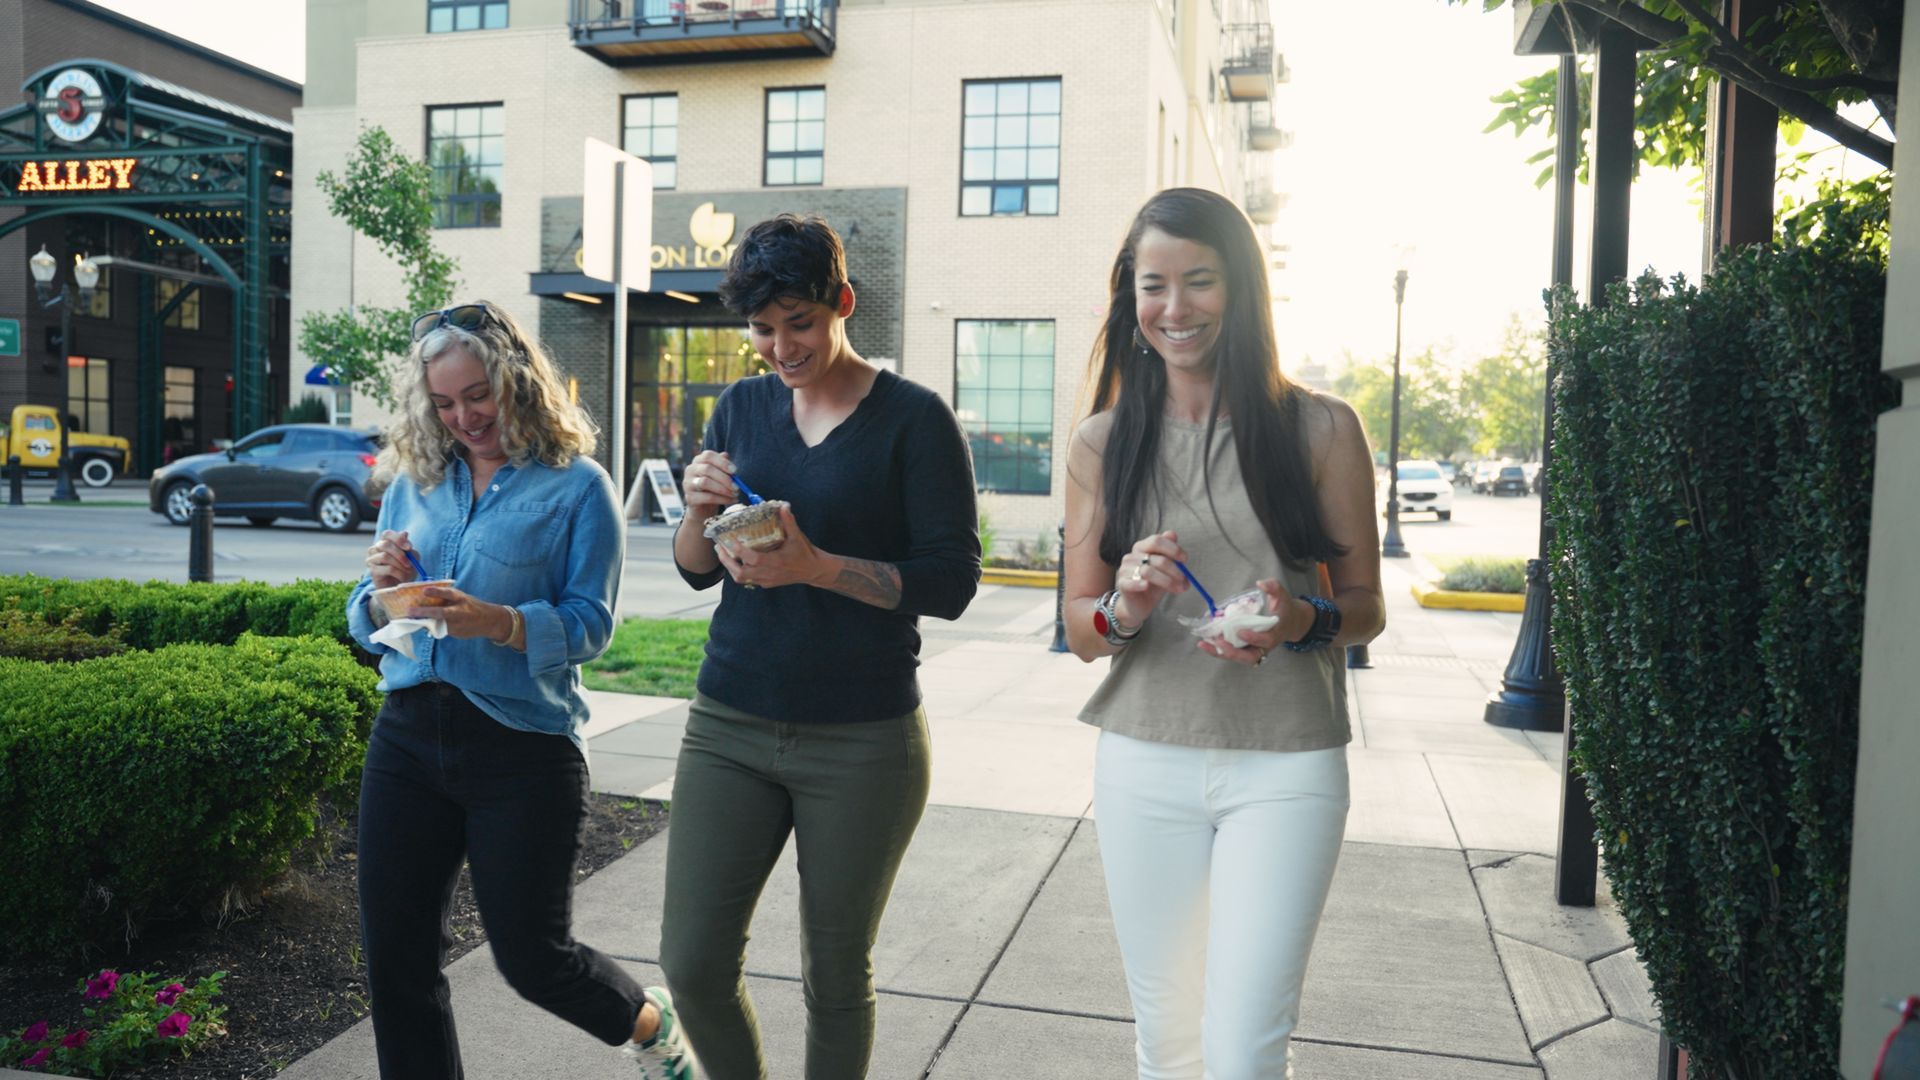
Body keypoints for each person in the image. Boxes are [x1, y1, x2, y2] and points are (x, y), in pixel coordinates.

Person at [1062, 188, 1385, 1079]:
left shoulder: (1321, 427)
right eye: (1153, 285)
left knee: (1244, 1049)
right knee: (1166, 1039)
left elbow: (1365, 605)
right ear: (1130, 299)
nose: (1175, 308)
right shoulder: (1100, 442)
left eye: (1198, 282)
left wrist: (1298, 619)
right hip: (1142, 761)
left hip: (1285, 765)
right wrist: (1124, 604)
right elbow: (1082, 628)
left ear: (1240, 287)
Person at [664, 213, 981, 1080]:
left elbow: (952, 581)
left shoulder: (914, 420)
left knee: (835, 976)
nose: (780, 347)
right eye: (762, 330)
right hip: (729, 720)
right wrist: (697, 511)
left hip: (863, 738)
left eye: (798, 322)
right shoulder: (740, 405)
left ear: (842, 303)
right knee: (690, 965)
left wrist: (816, 567)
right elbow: (697, 571)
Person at [345, 301, 696, 1080]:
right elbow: (365, 616)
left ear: (516, 381)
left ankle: (650, 1022)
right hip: (406, 735)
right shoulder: (417, 482)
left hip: (521, 747)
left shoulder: (578, 487)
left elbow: (591, 624)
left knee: (534, 960)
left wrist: (497, 622)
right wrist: (380, 596)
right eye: (443, 403)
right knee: (396, 965)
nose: (463, 416)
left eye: (478, 395)